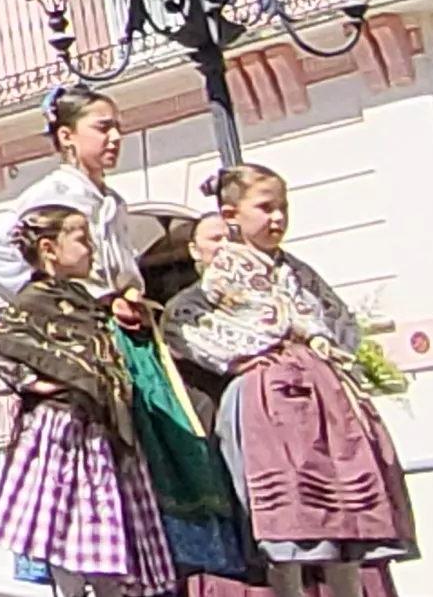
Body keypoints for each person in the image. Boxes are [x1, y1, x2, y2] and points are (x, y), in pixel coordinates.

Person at [0, 84, 246, 583]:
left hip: (133, 342)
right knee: (103, 464)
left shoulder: (109, 199)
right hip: (97, 347)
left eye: (117, 126)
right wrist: (64, 302)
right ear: (66, 137)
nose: (115, 136)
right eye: (103, 127)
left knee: (160, 453)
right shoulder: (53, 196)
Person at [165, 165, 415, 595]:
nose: (278, 218)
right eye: (265, 208)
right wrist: (240, 359)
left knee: (345, 527)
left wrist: (323, 353)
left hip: (326, 398)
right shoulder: (220, 279)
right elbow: (182, 325)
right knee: (287, 530)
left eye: (283, 207)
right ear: (231, 214)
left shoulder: (299, 272)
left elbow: (339, 324)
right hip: (269, 402)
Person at [0, 205, 178, 597]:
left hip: (103, 430)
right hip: (64, 432)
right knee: (65, 529)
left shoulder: (85, 301)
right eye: (81, 238)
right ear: (49, 248)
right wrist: (34, 384)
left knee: (109, 529)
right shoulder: (35, 301)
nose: (90, 248)